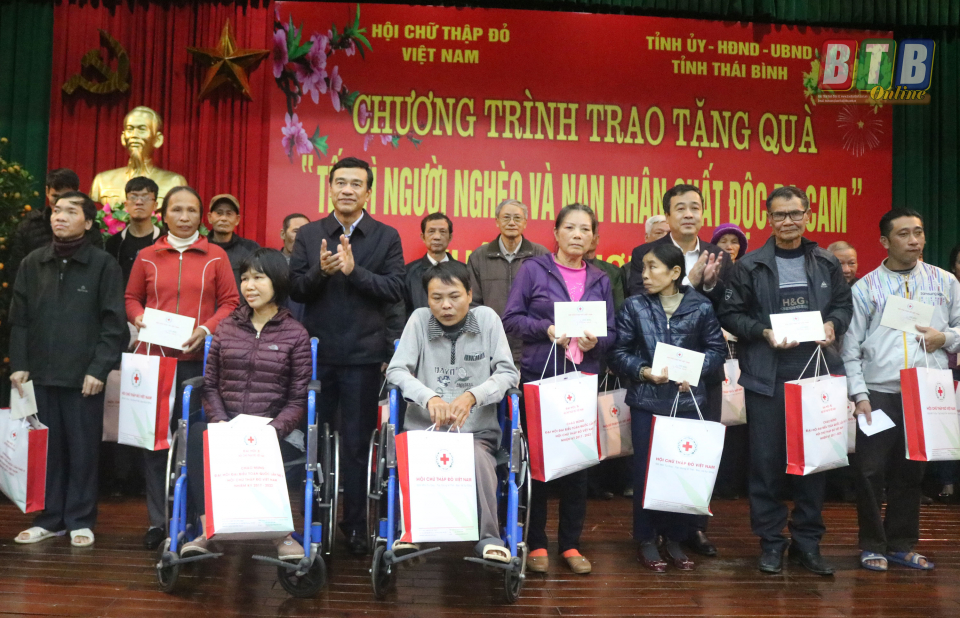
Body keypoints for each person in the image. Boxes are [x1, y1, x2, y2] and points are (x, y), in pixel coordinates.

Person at [718, 185, 852, 576]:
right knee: (766, 463)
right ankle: (772, 542)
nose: (788, 221)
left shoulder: (826, 262)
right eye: (780, 214)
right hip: (767, 375)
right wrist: (762, 332)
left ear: (808, 215)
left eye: (795, 213)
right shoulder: (749, 265)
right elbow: (730, 315)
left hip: (816, 373)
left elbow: (843, 305)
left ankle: (807, 543)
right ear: (769, 218)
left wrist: (833, 324)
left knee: (815, 463)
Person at [289, 157, 405, 556]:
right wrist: (320, 272)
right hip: (317, 357)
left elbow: (395, 288)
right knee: (314, 443)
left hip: (362, 357)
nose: (347, 190)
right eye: (340, 182)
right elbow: (296, 290)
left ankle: (354, 526)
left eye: (356, 184)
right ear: (330, 188)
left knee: (356, 446)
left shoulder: (386, 236)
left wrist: (355, 272)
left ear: (368, 192)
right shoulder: (310, 234)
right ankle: (314, 523)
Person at [842, 209, 960, 572]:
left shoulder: (945, 282)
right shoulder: (865, 288)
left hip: (925, 391)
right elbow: (850, 347)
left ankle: (901, 544)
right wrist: (860, 395)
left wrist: (945, 338)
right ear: (884, 241)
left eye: (918, 233)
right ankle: (871, 544)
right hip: (878, 391)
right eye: (904, 234)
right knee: (869, 472)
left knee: (912, 472)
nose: (914, 240)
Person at [503, 203, 616, 575]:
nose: (578, 235)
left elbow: (612, 332)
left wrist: (595, 342)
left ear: (593, 237)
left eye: (585, 229)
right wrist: (547, 329)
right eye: (570, 228)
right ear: (556, 232)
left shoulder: (600, 279)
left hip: (582, 381)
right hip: (541, 377)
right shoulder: (533, 269)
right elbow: (511, 318)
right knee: (539, 463)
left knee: (577, 465)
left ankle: (570, 543)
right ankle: (536, 541)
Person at [178, 249, 312, 561]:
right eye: (245, 279)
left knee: (263, 448)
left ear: (277, 281)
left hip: (275, 431)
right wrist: (221, 422)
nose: (249, 286)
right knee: (197, 435)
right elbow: (210, 385)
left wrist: (273, 429)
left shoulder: (296, 334)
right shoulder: (226, 328)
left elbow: (298, 399)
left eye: (258, 278)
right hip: (228, 426)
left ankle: (280, 534)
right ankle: (207, 529)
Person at [125, 186, 240, 550]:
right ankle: (158, 521)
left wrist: (205, 329)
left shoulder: (215, 256)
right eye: (177, 209)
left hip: (198, 365)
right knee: (155, 443)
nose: (185, 216)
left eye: (192, 210)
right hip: (154, 363)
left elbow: (231, 302)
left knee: (193, 443)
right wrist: (138, 317)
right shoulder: (147, 255)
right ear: (164, 214)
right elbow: (131, 298)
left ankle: (193, 521)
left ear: (201, 217)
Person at [10, 191, 127, 547]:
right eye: (56, 210)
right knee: (47, 450)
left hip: (84, 378)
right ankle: (49, 519)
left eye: (70, 212)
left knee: (82, 450)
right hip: (41, 374)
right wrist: (19, 364)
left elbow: (113, 324)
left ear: (88, 222)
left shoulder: (103, 265)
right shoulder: (33, 262)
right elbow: (20, 320)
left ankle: (80, 519)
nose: (59, 216)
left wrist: (99, 369)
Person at [386, 261, 520, 562]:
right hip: (425, 432)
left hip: (475, 433)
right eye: (437, 298)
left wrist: (473, 396)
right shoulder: (419, 320)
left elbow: (508, 374)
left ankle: (490, 538)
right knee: (412, 457)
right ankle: (410, 534)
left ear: (469, 294)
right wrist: (428, 397)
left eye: (454, 296)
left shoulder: (487, 320)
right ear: (427, 299)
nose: (446, 305)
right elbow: (396, 370)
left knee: (477, 457)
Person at [627, 184, 730, 556]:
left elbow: (726, 311)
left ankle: (690, 531)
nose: (689, 214)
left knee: (691, 460)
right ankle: (649, 534)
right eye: (681, 208)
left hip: (696, 384)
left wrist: (709, 286)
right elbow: (637, 306)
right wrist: (689, 283)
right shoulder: (644, 256)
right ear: (667, 215)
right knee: (651, 463)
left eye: (695, 207)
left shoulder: (720, 256)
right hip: (652, 386)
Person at [609, 244, 726, 572]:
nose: (644, 275)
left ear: (675, 273)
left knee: (681, 473)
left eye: (653, 268)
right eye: (643, 268)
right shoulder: (634, 305)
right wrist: (644, 371)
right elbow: (618, 353)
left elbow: (717, 350)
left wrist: (695, 371)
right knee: (646, 473)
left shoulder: (701, 306)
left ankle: (675, 538)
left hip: (687, 402)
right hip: (647, 402)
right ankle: (646, 539)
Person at [468, 199, 549, 363]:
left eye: (517, 218)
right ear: (497, 221)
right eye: (506, 217)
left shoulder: (541, 255)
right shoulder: (479, 257)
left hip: (531, 346)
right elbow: (472, 305)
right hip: (490, 347)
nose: (512, 223)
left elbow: (548, 302)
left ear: (525, 223)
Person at [709, 224, 749, 502]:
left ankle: (732, 483)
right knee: (715, 421)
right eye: (723, 240)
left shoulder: (747, 272)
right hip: (714, 359)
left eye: (734, 241)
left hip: (741, 357)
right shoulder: (708, 275)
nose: (729, 246)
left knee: (738, 422)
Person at [10, 168, 102, 276]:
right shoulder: (29, 226)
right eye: (55, 196)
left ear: (77, 193)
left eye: (66, 196)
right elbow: (16, 270)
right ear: (47, 191)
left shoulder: (90, 230)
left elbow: (97, 271)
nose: (60, 202)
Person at [89, 106, 188, 205]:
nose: (134, 135)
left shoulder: (174, 182)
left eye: (142, 129)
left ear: (158, 140)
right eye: (130, 129)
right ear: (123, 138)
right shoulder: (102, 181)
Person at [403, 212, 463, 316]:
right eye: (431, 231)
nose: (437, 237)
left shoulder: (463, 271)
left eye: (442, 232)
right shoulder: (408, 273)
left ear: (450, 237)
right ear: (423, 237)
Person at [105, 177, 162, 286]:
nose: (139, 202)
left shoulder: (165, 240)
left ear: (155, 205)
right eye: (133, 197)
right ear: (126, 204)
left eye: (146, 197)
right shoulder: (114, 243)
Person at [207, 194, 260, 292]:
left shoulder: (251, 248)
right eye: (219, 213)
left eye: (229, 214)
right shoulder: (200, 247)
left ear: (237, 220)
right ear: (210, 217)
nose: (223, 218)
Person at [280, 213, 310, 322]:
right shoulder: (269, 265)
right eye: (296, 231)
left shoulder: (317, 267)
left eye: (306, 232)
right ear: (283, 234)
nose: (301, 236)